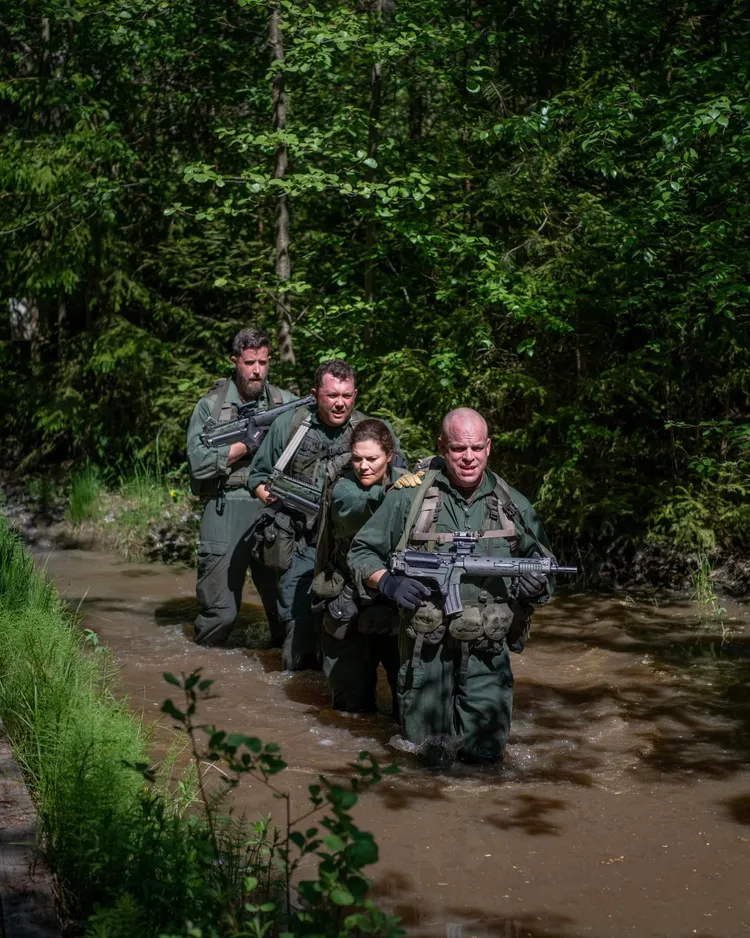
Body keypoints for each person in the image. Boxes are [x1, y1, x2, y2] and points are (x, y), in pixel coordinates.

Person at [347, 407, 556, 767]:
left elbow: (547, 570)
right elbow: (361, 552)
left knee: (486, 760)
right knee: (425, 761)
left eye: (476, 448)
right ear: (442, 446)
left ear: (489, 447)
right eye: (459, 448)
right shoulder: (408, 499)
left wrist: (535, 586)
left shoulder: (514, 506)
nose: (469, 457)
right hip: (424, 658)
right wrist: (388, 583)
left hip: (488, 657)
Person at [247, 359, 403, 672]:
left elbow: (399, 475)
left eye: (347, 395)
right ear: (316, 394)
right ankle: (299, 697)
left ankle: (337, 693)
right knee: (299, 632)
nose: (340, 403)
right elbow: (257, 477)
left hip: (349, 547)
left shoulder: (370, 431)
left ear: (355, 394)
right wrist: (271, 494)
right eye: (332, 396)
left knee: (347, 626)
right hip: (301, 544)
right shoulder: (289, 426)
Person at [187, 327, 295, 647]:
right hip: (224, 505)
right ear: (235, 361)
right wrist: (245, 446)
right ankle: (201, 675)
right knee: (220, 614)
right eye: (249, 362)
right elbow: (198, 462)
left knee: (286, 613)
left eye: (263, 362)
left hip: (272, 507)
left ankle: (285, 679)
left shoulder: (284, 403)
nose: (257, 370)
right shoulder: (210, 407)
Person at [313, 419, 422, 715]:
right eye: (357, 458)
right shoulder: (342, 487)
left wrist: (424, 482)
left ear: (389, 454)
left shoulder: (407, 482)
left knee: (409, 705)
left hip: (396, 600)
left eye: (372, 459)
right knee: (350, 709)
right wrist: (394, 494)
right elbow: (356, 508)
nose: (363, 466)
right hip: (349, 600)